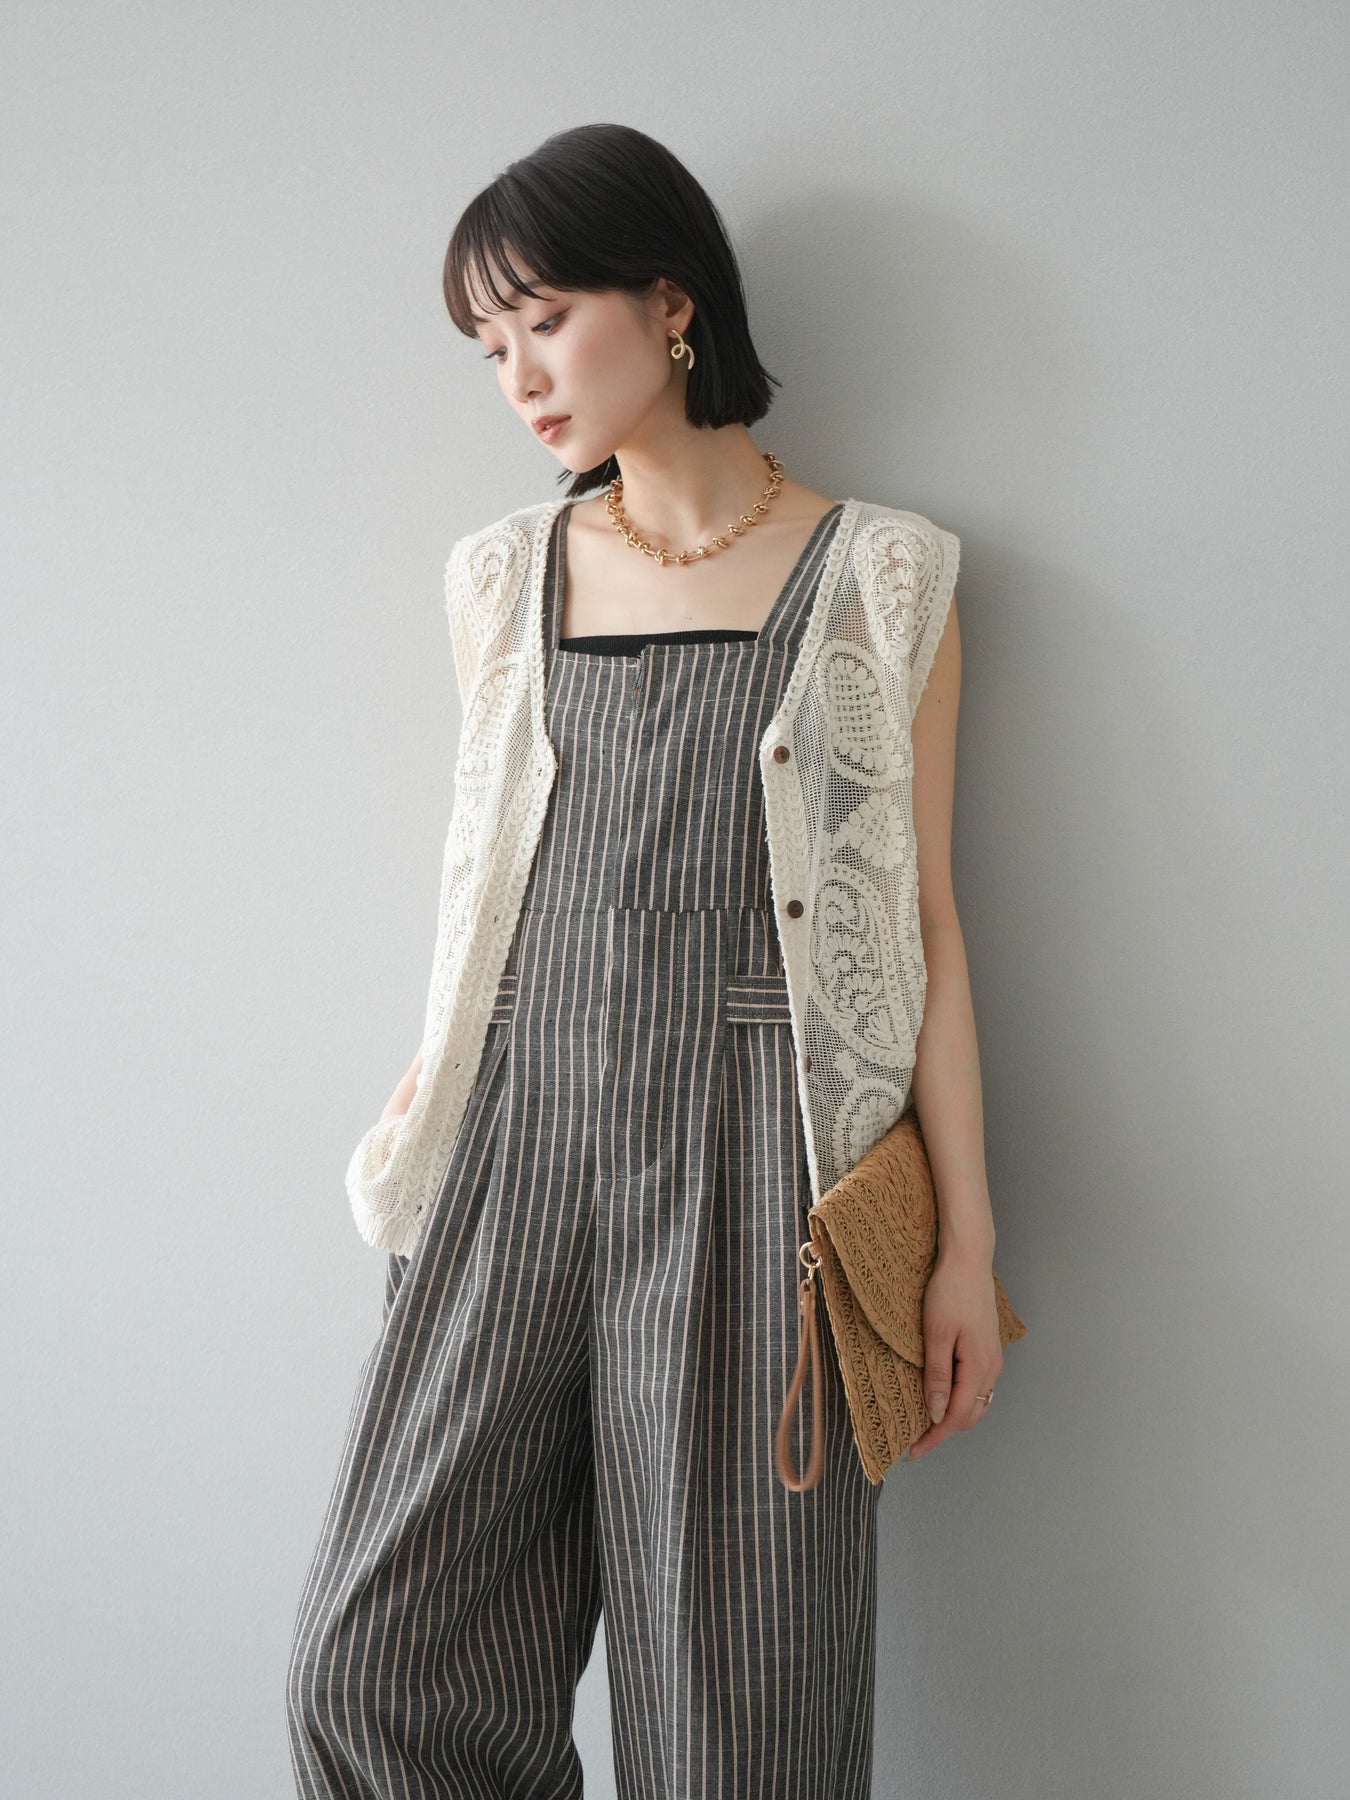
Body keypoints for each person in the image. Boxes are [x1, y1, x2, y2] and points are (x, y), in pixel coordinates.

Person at [286, 122, 1004, 1800]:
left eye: (543, 319)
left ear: (671, 303)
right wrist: (450, 1055)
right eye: (489, 346)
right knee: (367, 1668)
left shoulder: (881, 571)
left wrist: (965, 1247)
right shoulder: (499, 576)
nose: (519, 377)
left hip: (762, 1161)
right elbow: (491, 873)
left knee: (739, 1714)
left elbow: (919, 922)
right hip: (512, 1140)